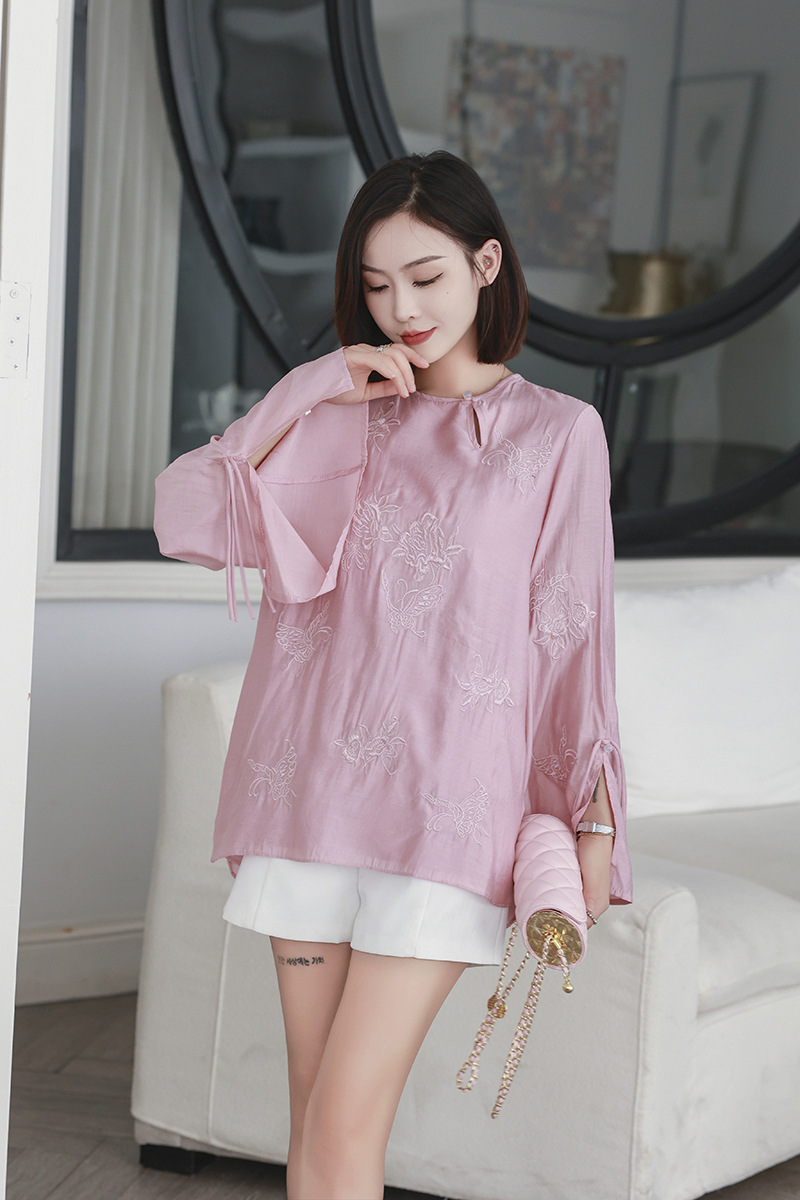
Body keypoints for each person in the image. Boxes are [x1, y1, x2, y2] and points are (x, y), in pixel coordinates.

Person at [154, 150, 632, 1200]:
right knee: (314, 1122)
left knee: (342, 1121)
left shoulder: (558, 434)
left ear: (486, 264)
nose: (401, 309)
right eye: (375, 285)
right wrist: (311, 385)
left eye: (424, 276)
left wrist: (593, 826)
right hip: (301, 802)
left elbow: (571, 639)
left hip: (445, 820)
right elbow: (184, 513)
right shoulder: (337, 412)